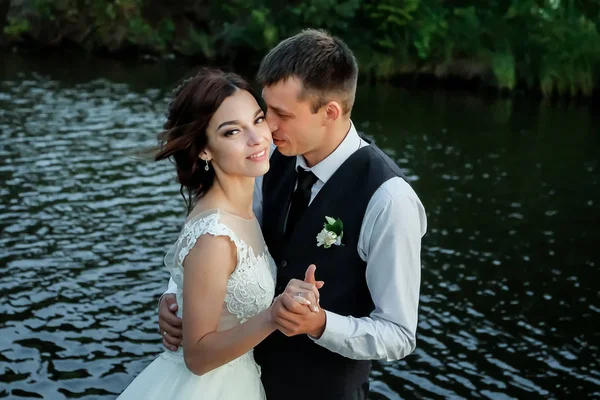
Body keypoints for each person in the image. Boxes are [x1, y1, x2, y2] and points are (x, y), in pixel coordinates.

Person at [159, 29, 427, 400]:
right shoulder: (265, 159)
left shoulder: (389, 200)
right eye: (264, 109)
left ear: (329, 113)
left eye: (281, 114)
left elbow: (399, 335)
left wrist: (320, 324)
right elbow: (218, 234)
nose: (267, 126)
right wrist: (176, 296)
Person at [118, 68, 317, 399]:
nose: (256, 139)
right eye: (232, 132)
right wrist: (273, 315)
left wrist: (175, 298)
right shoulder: (214, 235)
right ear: (204, 150)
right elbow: (196, 357)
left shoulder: (242, 207)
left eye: (257, 120)